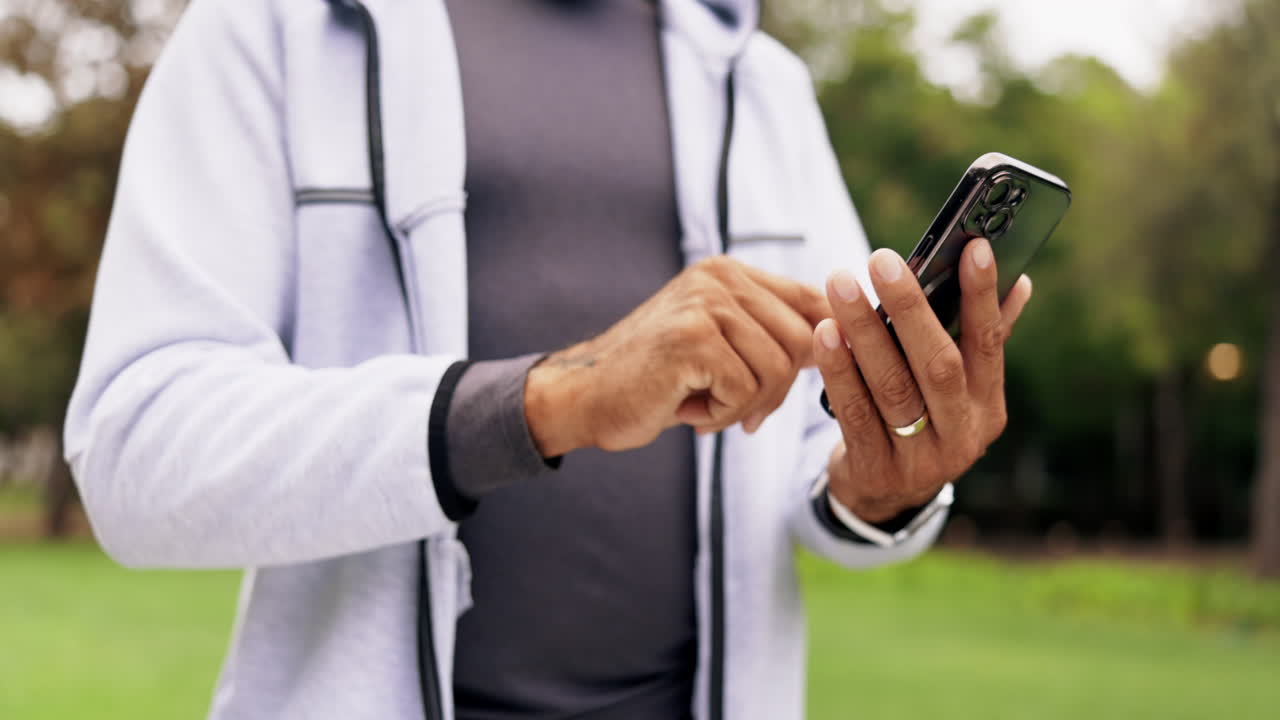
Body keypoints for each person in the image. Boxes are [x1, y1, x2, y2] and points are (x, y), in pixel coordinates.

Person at [65, 0, 1032, 718]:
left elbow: (812, 449)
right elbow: (135, 446)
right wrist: (546, 402)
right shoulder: (271, 30)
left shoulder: (758, 78)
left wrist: (885, 484)